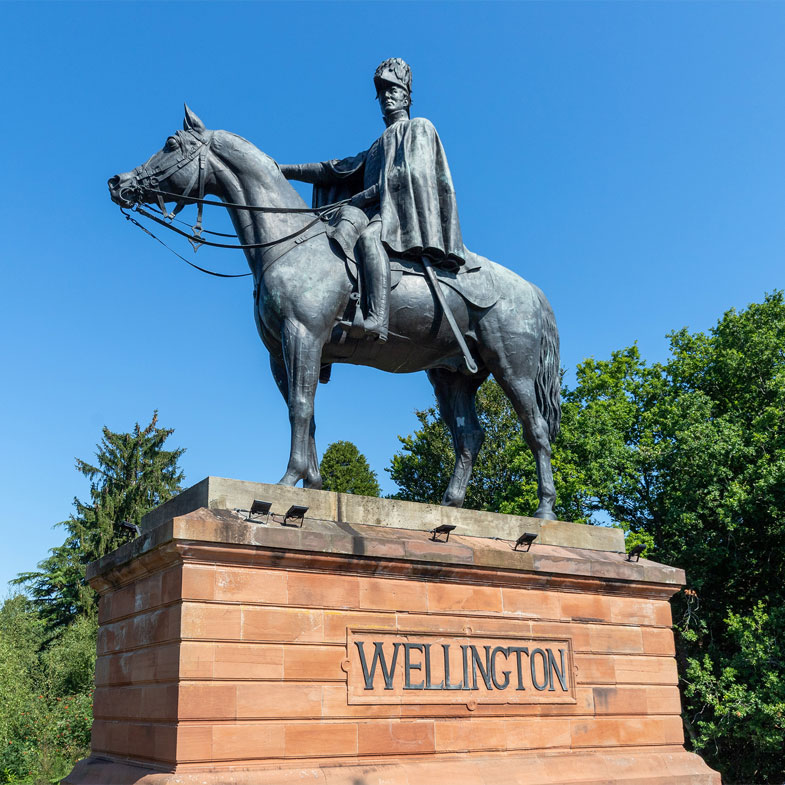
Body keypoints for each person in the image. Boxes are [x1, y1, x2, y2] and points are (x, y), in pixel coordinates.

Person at [280, 58, 465, 342]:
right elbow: (334, 168)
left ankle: (377, 318)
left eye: (393, 90)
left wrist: (366, 195)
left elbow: (413, 174)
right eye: (381, 93)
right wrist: (285, 171)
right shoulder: (377, 146)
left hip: (398, 216)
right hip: (372, 211)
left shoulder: (419, 127)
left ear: (406, 95)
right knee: (327, 244)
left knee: (368, 239)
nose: (386, 97)